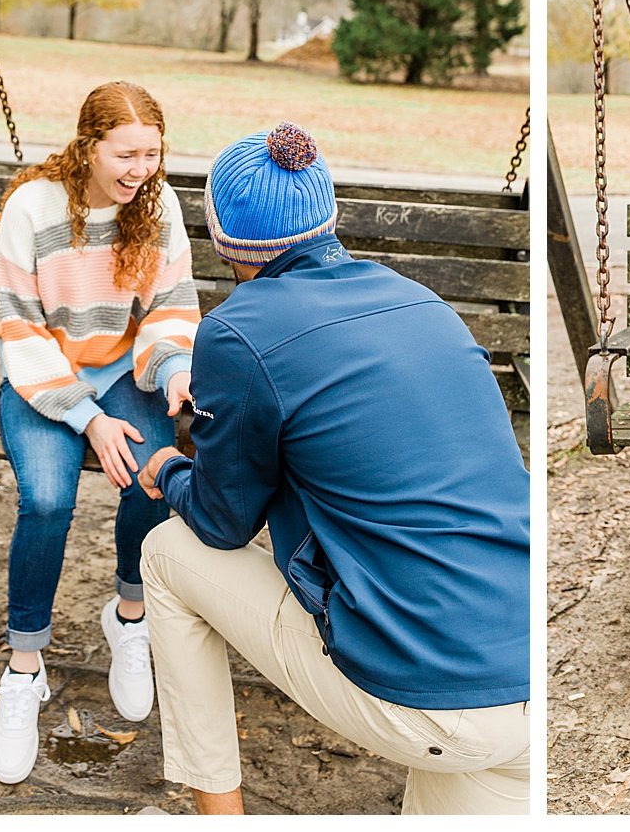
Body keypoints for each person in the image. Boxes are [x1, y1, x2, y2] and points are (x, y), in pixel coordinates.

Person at [133, 122, 530, 815]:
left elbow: (223, 522)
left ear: (222, 239)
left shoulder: (238, 330)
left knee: (167, 552)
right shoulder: (424, 303)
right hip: (524, 675)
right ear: (330, 215)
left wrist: (169, 469)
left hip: (426, 699)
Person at [0, 81, 199, 785]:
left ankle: (128, 614)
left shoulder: (158, 204)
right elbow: (20, 326)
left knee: (157, 468)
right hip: (42, 376)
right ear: (89, 144)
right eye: (128, 153)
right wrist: (88, 416)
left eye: (153, 154)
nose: (142, 168)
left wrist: (173, 368)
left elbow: (170, 306)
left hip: (125, 371)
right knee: (48, 499)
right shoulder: (33, 208)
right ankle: (24, 667)